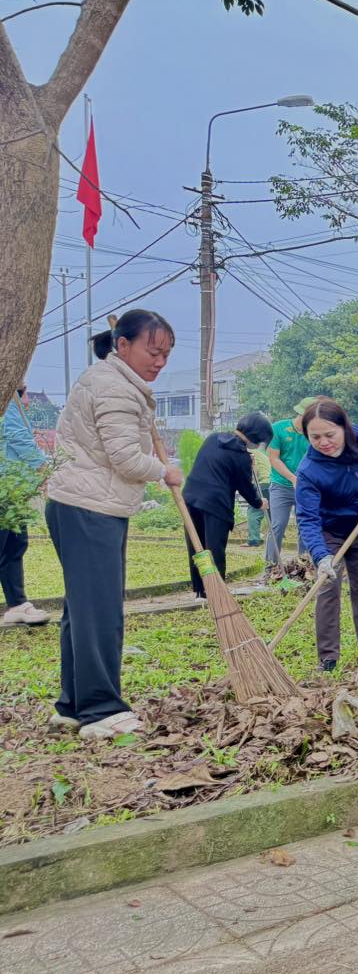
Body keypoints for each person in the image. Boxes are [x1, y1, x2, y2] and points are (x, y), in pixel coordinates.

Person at [45, 309, 182, 738]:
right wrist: (165, 471)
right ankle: (102, 710)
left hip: (79, 504)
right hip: (91, 509)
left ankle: (72, 704)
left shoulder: (112, 381)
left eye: (166, 354)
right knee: (100, 610)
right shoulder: (115, 388)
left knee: (83, 609)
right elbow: (125, 458)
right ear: (122, 345)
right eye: (153, 351)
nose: (159, 362)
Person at [293, 400, 358, 672]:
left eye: (330, 434)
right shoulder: (309, 471)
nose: (323, 442)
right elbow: (308, 519)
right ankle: (328, 659)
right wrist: (321, 555)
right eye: (315, 437)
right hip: (328, 531)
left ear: (343, 428)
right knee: (327, 589)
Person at [180, 414, 273, 599]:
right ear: (256, 437)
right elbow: (245, 487)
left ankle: (200, 591)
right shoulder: (241, 456)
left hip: (190, 498)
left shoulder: (213, 438)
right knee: (214, 549)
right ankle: (217, 593)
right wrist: (259, 502)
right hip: (216, 504)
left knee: (197, 547)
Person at [2, 384, 50, 625]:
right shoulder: (7, 395)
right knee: (7, 545)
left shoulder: (13, 397)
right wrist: (41, 466)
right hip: (5, 485)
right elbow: (16, 434)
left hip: (14, 485)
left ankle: (17, 604)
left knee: (15, 544)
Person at [265, 396, 320, 567]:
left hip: (306, 488)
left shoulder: (315, 435)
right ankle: (271, 566)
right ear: (302, 414)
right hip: (281, 486)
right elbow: (274, 459)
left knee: (305, 527)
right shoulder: (279, 428)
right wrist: (292, 478)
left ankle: (304, 565)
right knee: (278, 525)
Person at [247, 445, 271, 546]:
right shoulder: (261, 454)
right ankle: (277, 536)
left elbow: (254, 467)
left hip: (261, 484)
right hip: (272, 483)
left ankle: (254, 540)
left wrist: (253, 485)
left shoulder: (248, 452)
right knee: (271, 512)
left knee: (253, 512)